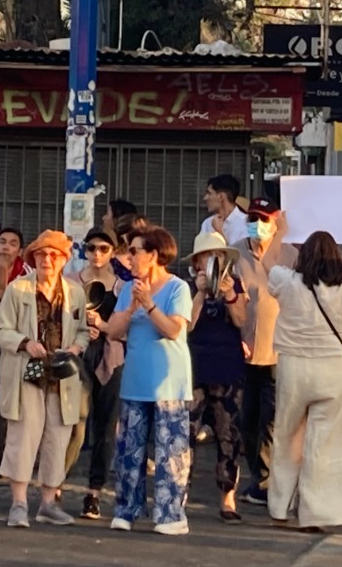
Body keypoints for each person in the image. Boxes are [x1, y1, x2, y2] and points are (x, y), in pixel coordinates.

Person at [264, 206, 342, 529]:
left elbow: (267, 263)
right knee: (326, 444)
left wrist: (280, 231)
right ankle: (318, 512)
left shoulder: (290, 282)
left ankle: (279, 506)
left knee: (288, 436)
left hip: (293, 366)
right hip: (333, 367)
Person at [105, 225, 195, 535]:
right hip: (135, 380)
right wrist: (131, 306)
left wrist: (149, 304)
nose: (129, 257)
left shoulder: (178, 287)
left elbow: (172, 329)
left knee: (170, 451)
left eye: (134, 251)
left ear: (153, 255)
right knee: (130, 449)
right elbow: (113, 332)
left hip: (169, 383)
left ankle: (170, 514)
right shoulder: (129, 289)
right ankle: (126, 509)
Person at [0, 231, 87, 526]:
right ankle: (18, 503)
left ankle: (49, 502)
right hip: (28, 368)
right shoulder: (18, 289)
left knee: (58, 437)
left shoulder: (75, 292)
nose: (47, 260)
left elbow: (84, 330)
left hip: (61, 372)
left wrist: (76, 347)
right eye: (42, 255)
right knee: (24, 433)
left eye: (54, 255)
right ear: (33, 258)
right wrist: (24, 342)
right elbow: (0, 330)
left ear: (63, 260)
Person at [229, 198, 295, 508]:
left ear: (275, 221)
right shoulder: (236, 252)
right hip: (244, 348)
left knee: (272, 417)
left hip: (278, 350)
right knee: (247, 418)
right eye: (253, 218)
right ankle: (258, 474)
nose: (258, 224)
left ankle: (268, 479)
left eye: (264, 218)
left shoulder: (290, 254)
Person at [185, 230, 249, 521]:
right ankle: (179, 492)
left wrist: (230, 294)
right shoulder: (187, 287)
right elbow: (187, 325)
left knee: (228, 432)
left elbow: (240, 320)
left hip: (227, 365)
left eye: (218, 255)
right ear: (198, 261)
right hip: (195, 364)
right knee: (185, 431)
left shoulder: (235, 284)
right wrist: (200, 292)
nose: (213, 260)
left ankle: (228, 496)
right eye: (208, 256)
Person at [74, 228, 125, 519]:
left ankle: (94, 491)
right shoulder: (72, 283)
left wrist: (104, 327)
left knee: (106, 426)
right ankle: (55, 482)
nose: (97, 254)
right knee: (72, 421)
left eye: (104, 249)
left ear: (113, 252)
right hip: (78, 353)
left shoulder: (121, 287)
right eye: (91, 248)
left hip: (110, 356)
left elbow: (125, 327)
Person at [200, 174, 248, 243]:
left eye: (209, 193)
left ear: (221, 197)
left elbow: (243, 253)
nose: (205, 198)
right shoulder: (207, 223)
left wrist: (219, 233)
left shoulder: (246, 224)